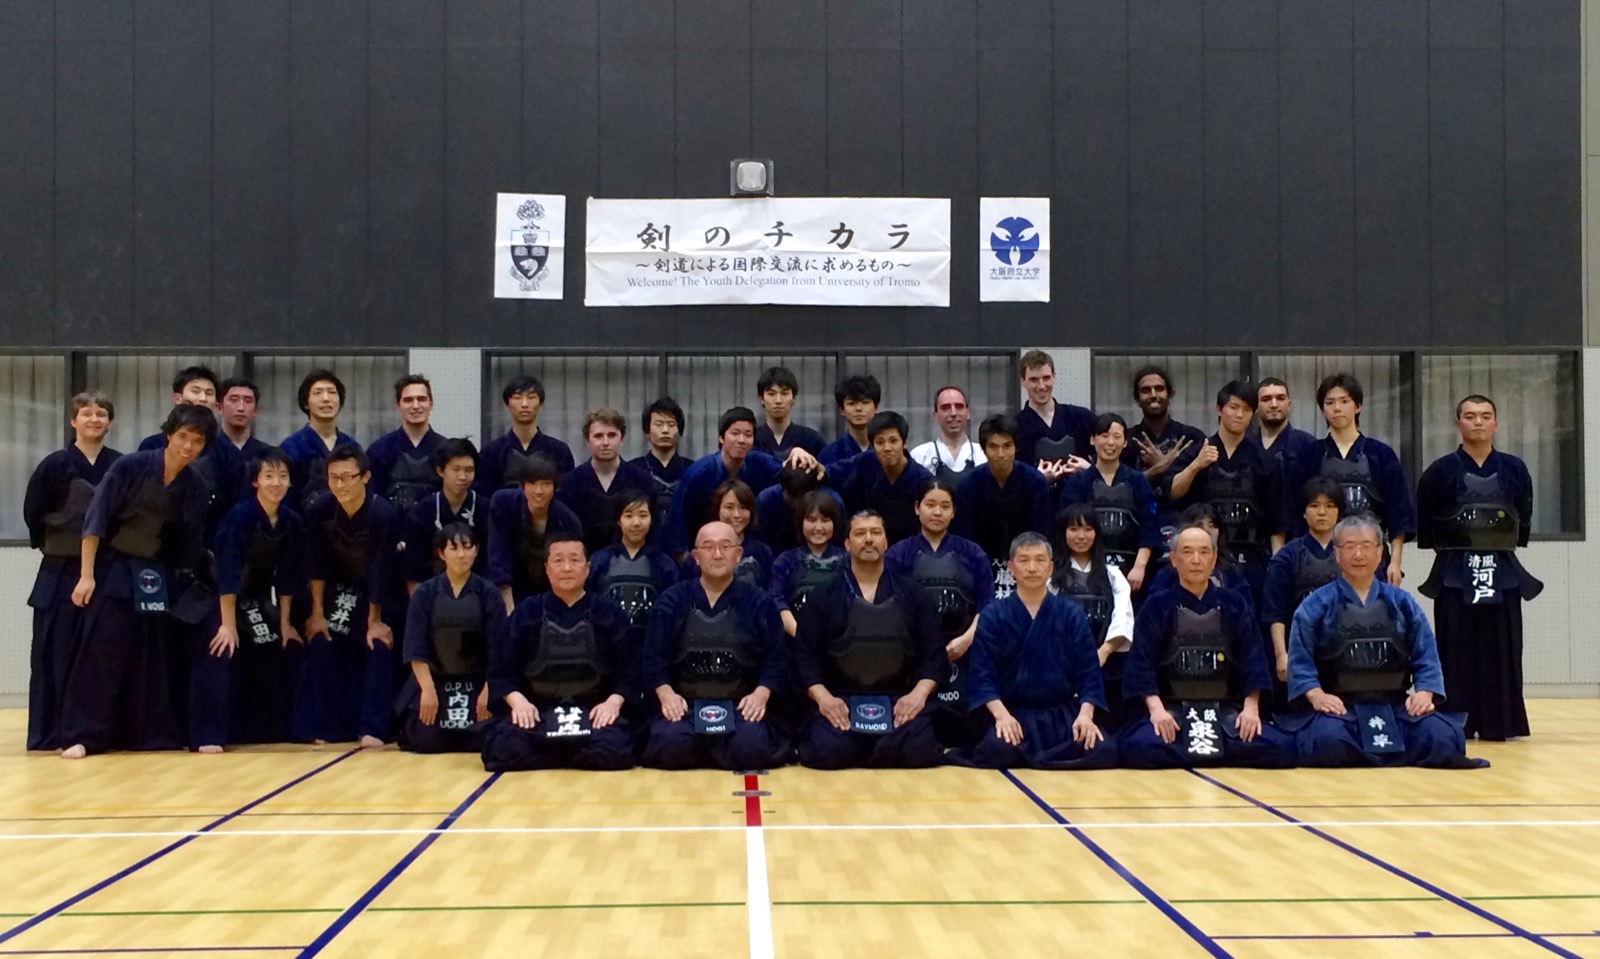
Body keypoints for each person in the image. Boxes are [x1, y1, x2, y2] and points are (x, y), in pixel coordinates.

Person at [57, 404, 216, 758]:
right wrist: (86, 576)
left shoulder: (196, 486)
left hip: (156, 576)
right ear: (168, 435)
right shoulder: (131, 466)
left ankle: (147, 734)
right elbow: (95, 520)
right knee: (101, 651)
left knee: (149, 657)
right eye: (183, 437)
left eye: (197, 441)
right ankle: (83, 734)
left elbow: (189, 547)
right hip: (113, 567)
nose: (188, 446)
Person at [1286, 516, 1486, 769]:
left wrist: (1425, 692)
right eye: (1349, 546)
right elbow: (1300, 660)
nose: (1359, 554)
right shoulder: (1316, 605)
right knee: (1327, 740)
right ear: (1336, 554)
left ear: (1380, 553)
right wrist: (1316, 695)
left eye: (1367, 546)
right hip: (1341, 709)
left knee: (1444, 737)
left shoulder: (1402, 602)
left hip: (1395, 706)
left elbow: (1425, 655)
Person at [1416, 395, 1542, 741]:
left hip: (1502, 570)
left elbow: (1523, 520)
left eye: (1486, 416)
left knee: (1503, 648)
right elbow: (1426, 526)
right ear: (1457, 424)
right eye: (1470, 416)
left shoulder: (1515, 469)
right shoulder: (1439, 471)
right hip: (1455, 571)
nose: (1478, 422)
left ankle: (1501, 722)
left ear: (1496, 424)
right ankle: (1455, 719)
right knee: (1455, 647)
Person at [1119, 525, 1295, 768]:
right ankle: (1219, 753)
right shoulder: (1156, 606)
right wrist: (1157, 710)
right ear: (1173, 560)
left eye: (1204, 552)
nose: (1196, 560)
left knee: (1283, 748)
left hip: (1225, 712)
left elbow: (1253, 660)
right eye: (1187, 552)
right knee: (1138, 748)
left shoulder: (1234, 604)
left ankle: (1202, 750)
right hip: (1173, 711)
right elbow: (1141, 665)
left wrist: (1251, 708)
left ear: (1214, 559)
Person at [950, 532, 1115, 769]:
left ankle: (1034, 757)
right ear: (1011, 568)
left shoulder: (1071, 614)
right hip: (1012, 712)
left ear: (1050, 568)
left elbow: (1089, 673)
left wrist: (1085, 716)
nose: (1032, 568)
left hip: (1061, 715)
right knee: (997, 749)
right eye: (1024, 560)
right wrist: (1002, 717)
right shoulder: (992, 615)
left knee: (1104, 750)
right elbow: (982, 676)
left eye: (1039, 560)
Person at [793, 511, 945, 769]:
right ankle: (876, 749)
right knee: (825, 750)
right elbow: (805, 658)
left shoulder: (914, 594)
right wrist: (825, 699)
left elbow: (934, 653)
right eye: (860, 533)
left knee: (919, 749)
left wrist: (917, 696)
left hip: (898, 701)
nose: (868, 539)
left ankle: (872, 748)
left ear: (886, 543)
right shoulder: (822, 596)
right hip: (842, 702)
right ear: (847, 544)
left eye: (875, 533)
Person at [639, 521, 792, 771]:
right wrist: (666, 694)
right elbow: (653, 657)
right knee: (670, 744)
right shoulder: (671, 601)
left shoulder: (760, 603)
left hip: (740, 706)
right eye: (708, 547)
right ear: (696, 557)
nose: (718, 554)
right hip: (686, 706)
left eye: (725, 546)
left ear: (738, 554)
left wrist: (761, 694)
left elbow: (776, 660)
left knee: (750, 746)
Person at [482, 535, 638, 771]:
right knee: (503, 748)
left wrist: (613, 703)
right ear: (547, 568)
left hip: (592, 712)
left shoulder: (610, 614)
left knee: (615, 750)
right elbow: (502, 670)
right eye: (558, 561)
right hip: (540, 713)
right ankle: (570, 755)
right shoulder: (526, 613)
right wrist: (519, 703)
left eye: (574, 560)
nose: (567, 568)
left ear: (587, 568)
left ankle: (552, 754)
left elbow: (630, 671)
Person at [23, 391, 122, 750]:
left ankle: (96, 731)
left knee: (100, 652)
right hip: (61, 569)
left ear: (110, 422)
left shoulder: (120, 464)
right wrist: (60, 546)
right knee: (56, 650)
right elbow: (33, 514)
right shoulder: (55, 465)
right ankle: (52, 732)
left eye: (101, 414)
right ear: (73, 421)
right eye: (87, 413)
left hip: (107, 568)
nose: (94, 419)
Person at [192, 448, 304, 750]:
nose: (276, 483)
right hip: (218, 596)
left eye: (282, 476)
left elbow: (289, 576)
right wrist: (227, 625)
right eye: (269, 476)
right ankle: (209, 735)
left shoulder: (291, 521)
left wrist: (285, 624)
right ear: (255, 481)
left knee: (278, 648)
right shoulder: (239, 517)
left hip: (255, 597)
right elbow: (226, 572)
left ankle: (271, 730)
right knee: (221, 648)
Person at [297, 444, 402, 748]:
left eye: (347, 477)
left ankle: (373, 726)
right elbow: (314, 564)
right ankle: (327, 726)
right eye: (334, 478)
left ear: (365, 477)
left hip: (379, 593)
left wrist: (375, 620)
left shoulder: (383, 513)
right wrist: (317, 613)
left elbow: (381, 570)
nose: (340, 485)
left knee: (378, 644)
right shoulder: (319, 510)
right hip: (337, 589)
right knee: (322, 641)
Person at [885, 479, 995, 748]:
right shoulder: (898, 555)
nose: (937, 512)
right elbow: (887, 605)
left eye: (945, 506)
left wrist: (967, 640)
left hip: (963, 649)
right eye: (930, 505)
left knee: (969, 732)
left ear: (954, 512)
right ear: (917, 508)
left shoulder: (973, 553)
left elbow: (988, 605)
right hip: (913, 653)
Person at [1168, 380, 1289, 605]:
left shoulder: (1264, 459)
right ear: (1219, 409)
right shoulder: (1198, 451)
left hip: (1252, 556)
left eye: (1247, 410)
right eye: (1234, 407)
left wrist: (1276, 563)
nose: (1240, 415)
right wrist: (1196, 465)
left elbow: (1277, 519)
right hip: (1205, 555)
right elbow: (1173, 492)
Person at [1290, 372, 1415, 586]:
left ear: (1357, 407)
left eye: (1344, 401)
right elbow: (1295, 512)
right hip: (1321, 555)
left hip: (1370, 552)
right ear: (1323, 410)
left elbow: (1399, 512)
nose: (1337, 408)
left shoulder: (1381, 454)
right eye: (1330, 403)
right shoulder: (1309, 455)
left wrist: (1395, 562)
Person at [397, 524, 504, 754]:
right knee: (425, 739)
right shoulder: (424, 593)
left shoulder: (489, 593)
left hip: (477, 684)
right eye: (454, 548)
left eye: (467, 547)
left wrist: (489, 690)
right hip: (436, 683)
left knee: (488, 735)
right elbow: (415, 648)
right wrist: (427, 690)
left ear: (476, 550)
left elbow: (498, 649)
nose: (462, 554)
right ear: (442, 553)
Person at [663, 406, 816, 558]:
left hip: (748, 549)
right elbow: (677, 531)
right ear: (721, 438)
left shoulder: (759, 462)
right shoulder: (697, 474)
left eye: (748, 435)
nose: (742, 440)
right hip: (706, 552)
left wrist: (797, 452)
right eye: (735, 433)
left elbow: (789, 473)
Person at [1051, 505, 1135, 729]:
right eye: (1074, 529)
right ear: (1063, 532)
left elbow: (1123, 616)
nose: (1081, 536)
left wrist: (1104, 652)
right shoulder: (1052, 575)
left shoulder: (1112, 574)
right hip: (1061, 662)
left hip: (1105, 661)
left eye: (1088, 529)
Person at [1262, 478, 1345, 703]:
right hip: (1298, 649)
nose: (1322, 512)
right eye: (1314, 505)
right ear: (1303, 512)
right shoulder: (1286, 557)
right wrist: (1282, 655)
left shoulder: (1350, 554)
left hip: (1342, 649)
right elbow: (1275, 612)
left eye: (1330, 506)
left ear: (1339, 512)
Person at [137, 366, 245, 537]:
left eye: (209, 393)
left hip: (210, 539)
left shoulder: (228, 452)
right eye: (196, 391)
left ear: (217, 404)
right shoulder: (151, 445)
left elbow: (237, 505)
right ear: (177, 398)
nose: (203, 398)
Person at [954, 413, 1052, 598]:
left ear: (1016, 447)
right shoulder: (968, 485)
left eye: (1007, 446)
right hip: (980, 566)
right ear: (983, 449)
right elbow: (964, 538)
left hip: (1025, 563)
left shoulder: (1034, 482)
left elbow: (1041, 533)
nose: (1000, 454)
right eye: (993, 447)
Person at [1058, 413, 1160, 590]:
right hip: (1088, 568)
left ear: (1125, 442)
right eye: (1104, 436)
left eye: (1117, 437)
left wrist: (1140, 567)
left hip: (1131, 570)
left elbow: (1149, 525)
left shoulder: (1138, 481)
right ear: (1093, 440)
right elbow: (1067, 528)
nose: (1110, 442)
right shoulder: (1077, 483)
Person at [587, 490, 680, 655]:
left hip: (651, 645)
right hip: (606, 646)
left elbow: (673, 611)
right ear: (618, 520)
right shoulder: (600, 560)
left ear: (651, 520)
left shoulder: (664, 564)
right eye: (629, 516)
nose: (636, 523)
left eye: (643, 515)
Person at [487, 455, 583, 611]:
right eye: (532, 483)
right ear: (523, 485)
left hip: (549, 588)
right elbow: (499, 554)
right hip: (510, 582)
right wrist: (509, 608)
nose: (539, 491)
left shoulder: (569, 522)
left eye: (546, 484)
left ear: (555, 488)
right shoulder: (503, 503)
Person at [556, 408, 654, 556]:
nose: (605, 442)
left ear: (621, 439)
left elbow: (654, 530)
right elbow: (563, 533)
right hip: (584, 562)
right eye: (598, 436)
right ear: (588, 441)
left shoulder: (641, 480)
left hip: (632, 561)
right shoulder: (570, 483)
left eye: (612, 435)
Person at [828, 411, 934, 545]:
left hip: (908, 548)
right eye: (880, 442)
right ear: (872, 446)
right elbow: (829, 473)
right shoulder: (866, 462)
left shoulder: (923, 479)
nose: (887, 448)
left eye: (893, 441)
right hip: (868, 543)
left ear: (904, 443)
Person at [402, 438, 486, 590]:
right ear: (440, 471)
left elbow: (491, 565)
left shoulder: (487, 509)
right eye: (456, 469)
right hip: (432, 594)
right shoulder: (421, 513)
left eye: (469, 470)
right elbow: (414, 573)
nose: (462, 477)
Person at [1147, 504, 1256, 613]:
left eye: (1212, 525)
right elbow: (1152, 613)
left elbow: (1247, 614)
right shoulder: (1166, 575)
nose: (1207, 530)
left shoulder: (1231, 572)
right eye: (1200, 525)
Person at [1122, 364, 1207, 501]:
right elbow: (1120, 487)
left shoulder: (1192, 438)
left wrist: (1164, 465)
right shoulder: (1125, 441)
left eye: (1159, 389)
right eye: (1146, 390)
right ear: (1137, 399)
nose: (1153, 395)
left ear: (1169, 395)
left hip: (1182, 512)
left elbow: (1201, 487)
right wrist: (1158, 468)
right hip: (1138, 513)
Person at [770, 491, 848, 638]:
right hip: (796, 640)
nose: (818, 527)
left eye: (825, 520)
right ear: (801, 522)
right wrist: (801, 636)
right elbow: (777, 600)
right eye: (811, 520)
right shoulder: (786, 560)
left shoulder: (848, 560)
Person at [477, 375, 576, 492]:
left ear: (541, 405)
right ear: (508, 405)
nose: (524, 404)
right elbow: (484, 495)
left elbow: (567, 493)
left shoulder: (559, 451)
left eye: (531, 397)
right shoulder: (490, 452)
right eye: (517, 398)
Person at [280, 369, 360, 513]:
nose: (326, 398)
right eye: (318, 393)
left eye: (332, 392)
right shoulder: (291, 447)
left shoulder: (352, 447)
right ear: (306, 403)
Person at [366, 374, 444, 517]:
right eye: (408, 400)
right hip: (391, 528)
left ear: (431, 404)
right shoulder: (379, 450)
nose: (416, 406)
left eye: (422, 399)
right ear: (398, 405)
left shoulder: (446, 450)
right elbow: (371, 500)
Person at [1014, 349, 1095, 482]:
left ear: (1054, 377)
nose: (1041, 386)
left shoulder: (1081, 418)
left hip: (1077, 494)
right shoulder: (1014, 428)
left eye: (1046, 378)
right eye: (1034, 379)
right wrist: (1036, 479)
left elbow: (1111, 455)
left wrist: (1090, 469)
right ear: (1022, 381)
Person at [678, 480, 775, 588]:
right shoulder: (700, 554)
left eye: (743, 507)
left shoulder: (763, 553)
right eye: (729, 507)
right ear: (717, 509)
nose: (737, 515)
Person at [629, 396, 693, 530]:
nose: (665, 430)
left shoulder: (693, 469)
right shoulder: (632, 470)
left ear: (680, 431)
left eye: (671, 425)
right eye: (658, 424)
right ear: (647, 431)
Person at [752, 463, 843, 555]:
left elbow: (839, 543)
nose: (796, 503)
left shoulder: (833, 501)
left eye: (801, 497)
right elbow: (760, 545)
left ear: (815, 489)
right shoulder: (766, 500)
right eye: (792, 496)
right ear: (782, 488)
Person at [910, 385, 985, 481]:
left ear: (968, 413)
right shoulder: (919, 456)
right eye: (945, 408)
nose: (953, 413)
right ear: (935, 415)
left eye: (959, 407)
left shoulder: (983, 454)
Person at [754, 365, 825, 459]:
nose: (778, 400)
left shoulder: (811, 439)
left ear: (793, 398)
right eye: (771, 394)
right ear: (761, 399)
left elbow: (826, 467)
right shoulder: (751, 439)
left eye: (784, 393)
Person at [818, 374, 882, 466]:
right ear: (842, 410)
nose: (859, 408)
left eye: (865, 402)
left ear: (876, 408)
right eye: (851, 403)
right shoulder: (830, 454)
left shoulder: (887, 450)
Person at [1254, 377, 1316, 466]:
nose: (1274, 405)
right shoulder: (1245, 446)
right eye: (1266, 399)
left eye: (1280, 398)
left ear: (1289, 405)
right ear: (1256, 406)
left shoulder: (1308, 445)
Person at [217, 377, 272, 461]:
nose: (241, 408)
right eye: (234, 400)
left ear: (255, 411)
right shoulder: (207, 449)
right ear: (220, 408)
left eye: (248, 401)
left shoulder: (267, 455)